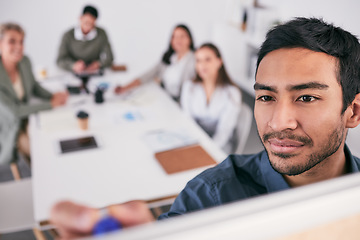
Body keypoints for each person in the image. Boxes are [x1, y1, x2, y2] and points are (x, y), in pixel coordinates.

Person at [50, 17, 360, 237]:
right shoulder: (211, 197)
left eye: (306, 97)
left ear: (353, 111)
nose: (278, 122)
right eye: (266, 96)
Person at [0, 23, 67, 164]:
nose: (19, 47)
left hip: (27, 116)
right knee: (42, 153)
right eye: (12, 41)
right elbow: (14, 112)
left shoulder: (24, 61)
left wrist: (53, 96)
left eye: (21, 42)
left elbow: (34, 86)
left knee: (58, 135)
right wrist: (50, 104)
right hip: (9, 127)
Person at [181, 43, 241, 153]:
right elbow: (188, 119)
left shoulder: (232, 93)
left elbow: (224, 131)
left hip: (219, 144)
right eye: (198, 60)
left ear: (219, 62)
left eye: (207, 59)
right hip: (194, 139)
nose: (202, 65)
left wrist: (207, 151)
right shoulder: (189, 87)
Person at [115, 24, 196, 101]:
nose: (178, 40)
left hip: (179, 104)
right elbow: (148, 75)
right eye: (175, 37)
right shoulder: (169, 57)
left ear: (190, 39)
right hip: (164, 99)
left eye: (182, 36)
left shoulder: (195, 60)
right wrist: (125, 88)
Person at [56, 5, 114, 74]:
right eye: (86, 23)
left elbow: (110, 58)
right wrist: (73, 65)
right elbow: (60, 60)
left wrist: (98, 64)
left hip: (94, 73)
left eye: (91, 24)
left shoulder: (101, 34)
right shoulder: (68, 35)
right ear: (80, 18)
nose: (88, 27)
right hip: (72, 74)